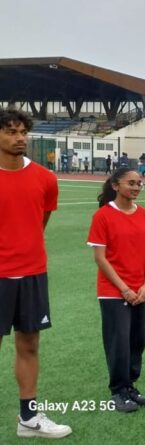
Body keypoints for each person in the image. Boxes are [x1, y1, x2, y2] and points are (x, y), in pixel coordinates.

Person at [0, 110, 72, 438]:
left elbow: (39, 222)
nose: (20, 138)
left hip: (31, 272)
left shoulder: (45, 178)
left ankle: (28, 418)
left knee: (29, 344)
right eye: (11, 132)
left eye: (23, 132)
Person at [87, 168, 145, 413]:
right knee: (118, 342)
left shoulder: (144, 214)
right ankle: (118, 391)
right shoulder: (103, 216)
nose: (136, 187)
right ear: (116, 185)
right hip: (113, 291)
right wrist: (124, 288)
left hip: (139, 290)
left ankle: (130, 386)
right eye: (131, 183)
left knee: (138, 339)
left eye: (139, 183)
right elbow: (100, 258)